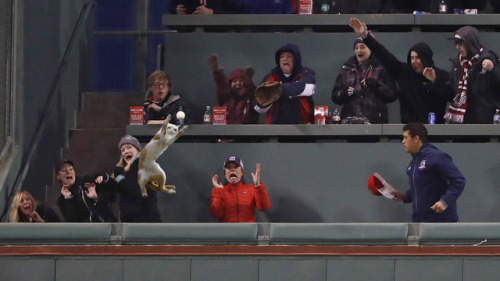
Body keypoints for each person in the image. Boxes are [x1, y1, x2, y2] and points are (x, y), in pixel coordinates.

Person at [349, 18, 454, 124]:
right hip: (410, 131)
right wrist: (366, 36)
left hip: (435, 132)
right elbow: (383, 54)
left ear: (426, 58)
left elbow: (451, 97)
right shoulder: (404, 72)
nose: (414, 61)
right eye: (411, 58)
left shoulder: (441, 76)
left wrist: (435, 81)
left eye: (417, 58)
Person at [392, 123, 466, 222]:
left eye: (405, 138)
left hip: (442, 221)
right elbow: (421, 188)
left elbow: (459, 180)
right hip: (419, 222)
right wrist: (404, 196)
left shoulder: (436, 157)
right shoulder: (413, 163)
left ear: (416, 138)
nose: (403, 142)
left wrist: (444, 201)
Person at [331, 35, 397, 124]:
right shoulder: (346, 68)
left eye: (362, 47)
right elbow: (335, 96)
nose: (359, 50)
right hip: (350, 123)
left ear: (371, 48)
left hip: (375, 123)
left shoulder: (382, 67)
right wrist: (344, 93)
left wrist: (376, 85)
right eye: (356, 47)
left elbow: (392, 95)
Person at [444, 26, 500, 124]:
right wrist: (435, 80)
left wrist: (492, 70)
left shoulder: (491, 58)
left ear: (470, 42)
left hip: (486, 124)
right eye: (456, 43)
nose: (457, 47)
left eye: (460, 43)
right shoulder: (457, 63)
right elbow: (452, 93)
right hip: (461, 124)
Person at [255, 43, 316, 124]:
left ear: (296, 59)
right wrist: (265, 102)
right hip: (275, 129)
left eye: (289, 56)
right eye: (282, 57)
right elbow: (258, 108)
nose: (285, 59)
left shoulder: (306, 73)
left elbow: (308, 88)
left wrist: (279, 89)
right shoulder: (270, 77)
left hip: (303, 128)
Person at [107, 135, 162, 222]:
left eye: (129, 147)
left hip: (144, 225)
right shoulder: (132, 169)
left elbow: (139, 190)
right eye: (123, 150)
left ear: (138, 150)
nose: (126, 151)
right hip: (137, 225)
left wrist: (119, 178)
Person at [209, 156, 271, 222]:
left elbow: (264, 207)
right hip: (227, 231)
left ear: (242, 172)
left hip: (248, 231)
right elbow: (216, 214)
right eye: (229, 167)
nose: (232, 170)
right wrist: (218, 191)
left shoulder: (252, 189)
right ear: (225, 174)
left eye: (235, 167)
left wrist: (258, 186)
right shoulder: (219, 190)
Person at [208, 54, 259, 124]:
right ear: (230, 84)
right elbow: (222, 86)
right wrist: (217, 72)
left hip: (247, 134)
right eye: (234, 81)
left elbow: (252, 92)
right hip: (226, 133)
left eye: (241, 81)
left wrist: (248, 82)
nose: (238, 83)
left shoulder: (252, 99)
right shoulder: (226, 98)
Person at [169, 0, 242, 14]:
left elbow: (236, 13)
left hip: (219, 36)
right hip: (190, 39)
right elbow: (172, 8)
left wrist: (212, 12)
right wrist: (177, 11)